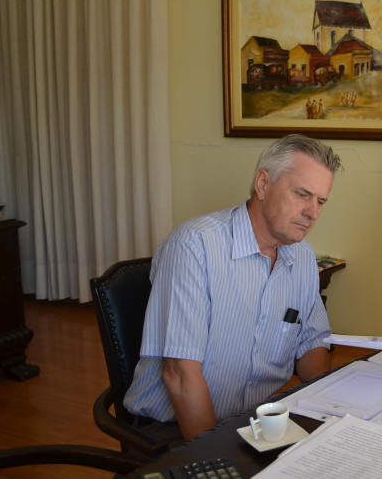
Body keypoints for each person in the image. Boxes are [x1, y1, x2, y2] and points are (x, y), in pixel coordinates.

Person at [124, 134, 341, 444]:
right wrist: (215, 458)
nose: (313, 212)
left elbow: (310, 343)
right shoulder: (193, 247)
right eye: (302, 194)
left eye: (320, 201)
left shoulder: (303, 258)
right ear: (263, 185)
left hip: (256, 423)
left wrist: (325, 417)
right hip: (176, 430)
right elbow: (179, 373)